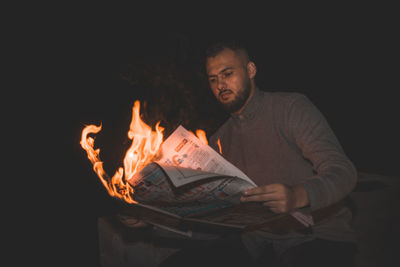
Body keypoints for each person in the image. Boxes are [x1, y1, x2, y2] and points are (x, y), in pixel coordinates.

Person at [158, 41, 358, 267]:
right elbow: (214, 221)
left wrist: (298, 195)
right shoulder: (218, 141)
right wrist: (154, 220)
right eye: (213, 79)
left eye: (227, 73)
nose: (220, 84)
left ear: (251, 70)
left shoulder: (290, 108)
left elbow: (343, 171)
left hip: (317, 237)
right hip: (256, 240)